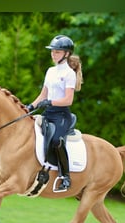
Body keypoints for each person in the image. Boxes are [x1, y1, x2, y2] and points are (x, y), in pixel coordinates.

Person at [27, 35, 83, 192]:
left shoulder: (69, 74)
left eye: (57, 52)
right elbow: (43, 94)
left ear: (66, 54)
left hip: (61, 115)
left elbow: (68, 100)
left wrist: (51, 102)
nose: (53, 54)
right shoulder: (50, 71)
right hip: (48, 112)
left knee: (57, 141)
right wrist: (30, 106)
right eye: (52, 51)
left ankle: (65, 176)